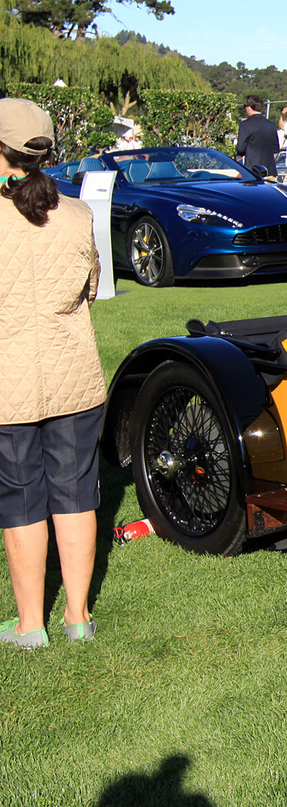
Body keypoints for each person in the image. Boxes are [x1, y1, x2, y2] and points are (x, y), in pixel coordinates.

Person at [0, 98, 107, 649]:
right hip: (75, 376)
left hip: (8, 386)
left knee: (20, 499)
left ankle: (28, 625)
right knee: (75, 494)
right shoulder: (79, 213)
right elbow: (90, 292)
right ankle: (78, 617)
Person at [234, 97, 279, 176]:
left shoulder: (245, 125)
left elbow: (240, 148)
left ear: (249, 108)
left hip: (252, 170)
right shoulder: (271, 124)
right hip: (270, 170)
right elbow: (275, 149)